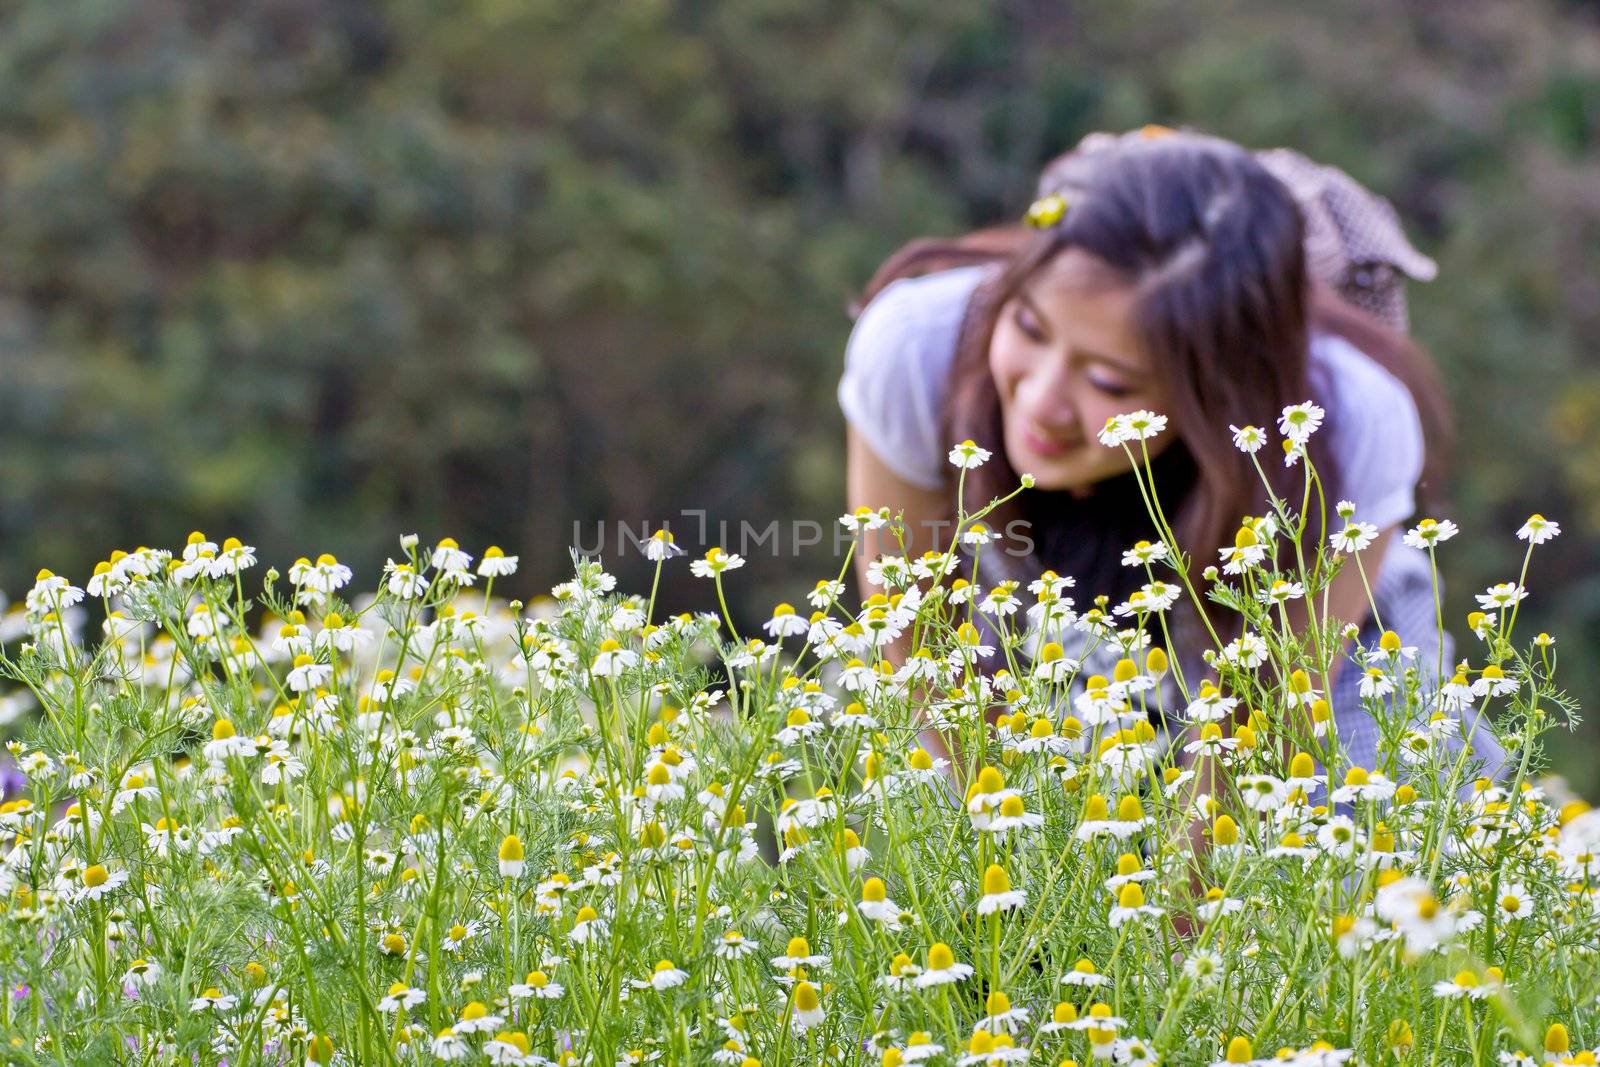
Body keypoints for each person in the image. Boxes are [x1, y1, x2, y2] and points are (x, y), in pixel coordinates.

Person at [838, 125, 1505, 795]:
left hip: (1318, 627)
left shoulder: (1349, 423)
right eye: (1030, 329)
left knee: (1374, 826)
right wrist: (1007, 843)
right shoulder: (917, 348)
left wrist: (1182, 898)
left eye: (1109, 383)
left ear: (1212, 391)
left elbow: (1259, 739)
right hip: (1032, 606)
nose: (1042, 400)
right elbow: (915, 641)